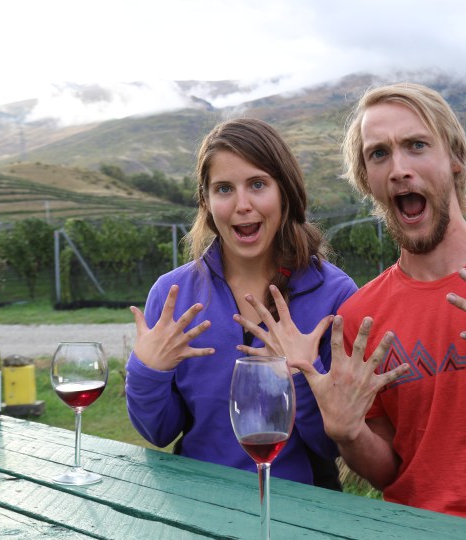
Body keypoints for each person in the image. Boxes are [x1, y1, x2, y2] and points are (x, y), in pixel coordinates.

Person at [237, 83, 466, 539]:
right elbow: (391, 472)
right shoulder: (361, 316)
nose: (399, 169)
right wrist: (349, 433)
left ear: (454, 159)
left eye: (416, 145)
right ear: (366, 180)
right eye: (378, 155)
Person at [124, 118, 357, 489]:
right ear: (206, 201)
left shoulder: (335, 295)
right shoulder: (173, 296)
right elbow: (158, 431)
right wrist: (148, 371)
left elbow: (334, 447)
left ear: (286, 191)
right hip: (199, 506)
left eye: (258, 184)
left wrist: (301, 377)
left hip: (300, 512)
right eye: (224, 189)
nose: (242, 205)